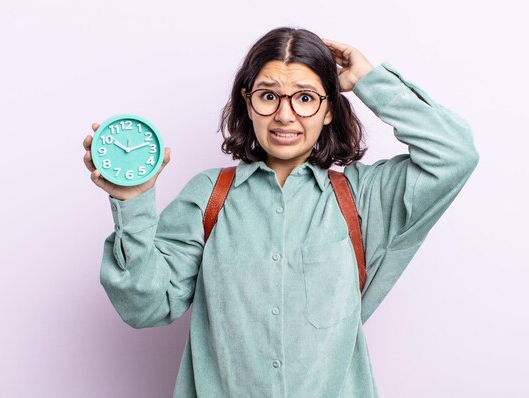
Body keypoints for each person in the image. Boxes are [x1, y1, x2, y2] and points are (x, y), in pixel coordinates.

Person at [82, 27, 479, 397]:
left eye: (305, 98)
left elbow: (454, 154)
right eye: (269, 96)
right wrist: (132, 201)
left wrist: (368, 81)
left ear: (329, 110)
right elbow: (146, 305)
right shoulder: (209, 196)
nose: (285, 116)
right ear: (248, 103)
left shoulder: (362, 198)